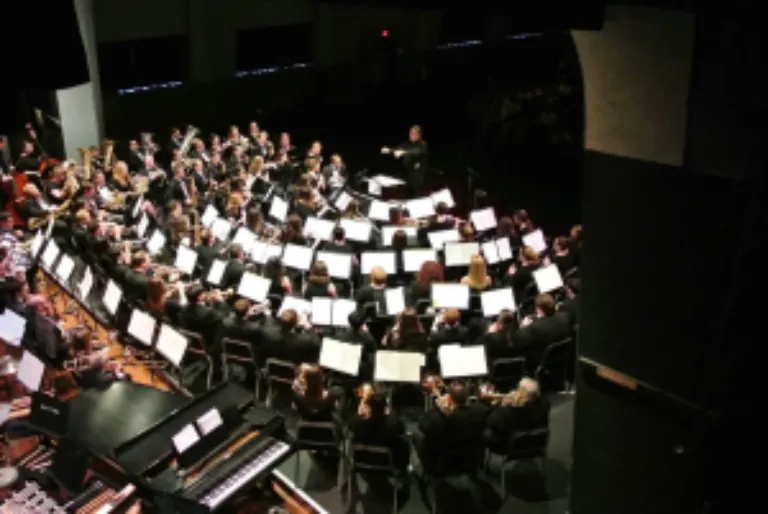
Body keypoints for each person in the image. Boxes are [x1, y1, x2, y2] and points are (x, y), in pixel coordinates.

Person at [349, 392, 410, 473]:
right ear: (384, 408)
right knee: (404, 441)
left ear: (369, 408)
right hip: (387, 465)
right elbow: (401, 429)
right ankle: (404, 473)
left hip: (363, 465)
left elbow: (352, 423)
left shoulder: (359, 426)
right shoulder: (393, 425)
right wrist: (391, 416)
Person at [483, 377, 550, 449]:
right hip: (537, 444)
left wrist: (502, 406)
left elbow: (490, 421)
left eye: (518, 389)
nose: (515, 391)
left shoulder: (508, 413)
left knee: (486, 431)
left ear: (522, 393)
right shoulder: (544, 405)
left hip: (514, 446)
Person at [381, 125, 428, 197]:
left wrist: (403, 152)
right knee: (407, 193)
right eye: (410, 133)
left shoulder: (422, 144)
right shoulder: (407, 144)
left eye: (413, 133)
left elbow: (415, 151)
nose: (410, 135)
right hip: (407, 173)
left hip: (417, 175)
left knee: (414, 194)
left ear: (418, 135)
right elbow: (397, 149)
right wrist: (388, 150)